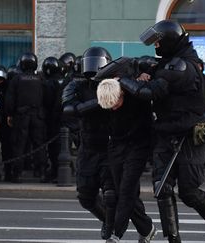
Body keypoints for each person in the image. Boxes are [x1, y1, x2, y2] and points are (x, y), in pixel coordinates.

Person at [127, 20, 205, 243]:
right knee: (162, 189)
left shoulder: (182, 66)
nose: (156, 46)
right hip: (164, 133)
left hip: (189, 136)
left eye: (159, 42)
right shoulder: (171, 62)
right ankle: (173, 240)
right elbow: (156, 68)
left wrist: (124, 81)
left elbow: (150, 92)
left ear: (169, 41)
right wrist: (138, 67)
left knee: (189, 193)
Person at [62, 46, 114, 240]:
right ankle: (107, 219)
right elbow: (68, 108)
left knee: (110, 194)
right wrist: (98, 103)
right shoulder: (77, 84)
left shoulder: (115, 84)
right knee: (85, 197)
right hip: (88, 145)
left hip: (110, 146)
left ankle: (111, 227)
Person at [96, 79, 157, 243]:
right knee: (123, 191)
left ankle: (116, 234)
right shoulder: (108, 102)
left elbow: (149, 125)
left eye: (115, 103)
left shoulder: (137, 99)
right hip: (116, 146)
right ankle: (146, 227)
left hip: (138, 146)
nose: (113, 108)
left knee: (126, 190)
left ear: (121, 93)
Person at [5, 52, 48, 183]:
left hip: (21, 116)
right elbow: (47, 98)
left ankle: (17, 174)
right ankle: (41, 173)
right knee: (39, 145)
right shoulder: (41, 79)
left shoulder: (16, 79)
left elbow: (10, 99)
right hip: (38, 116)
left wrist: (10, 114)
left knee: (19, 145)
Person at [41, 56, 64, 183]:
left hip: (53, 119)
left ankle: (55, 172)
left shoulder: (49, 83)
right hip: (65, 118)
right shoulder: (64, 80)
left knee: (54, 148)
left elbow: (47, 102)